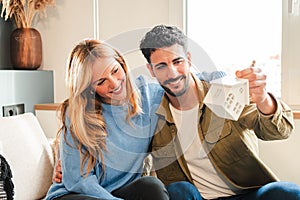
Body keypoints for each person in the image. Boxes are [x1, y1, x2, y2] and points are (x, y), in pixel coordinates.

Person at [139, 24, 300, 199]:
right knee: (178, 190)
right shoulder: (152, 114)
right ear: (151, 70)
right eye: (161, 66)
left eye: (177, 61)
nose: (172, 73)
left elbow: (279, 131)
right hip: (196, 197)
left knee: (288, 193)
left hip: (246, 194)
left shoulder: (223, 91)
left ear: (189, 59)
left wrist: (262, 98)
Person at [45, 39, 170, 200]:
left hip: (121, 191)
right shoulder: (77, 113)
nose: (114, 83)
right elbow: (80, 182)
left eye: (115, 70)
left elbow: (185, 83)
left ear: (122, 63)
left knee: (152, 187)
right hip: (77, 194)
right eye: (101, 82)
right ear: (89, 88)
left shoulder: (147, 94)